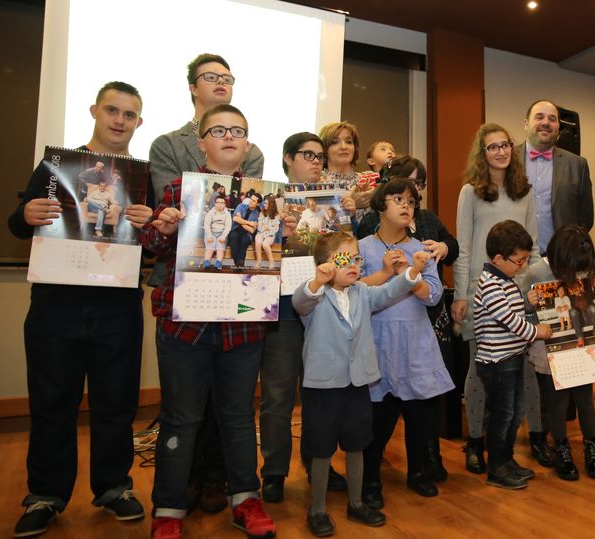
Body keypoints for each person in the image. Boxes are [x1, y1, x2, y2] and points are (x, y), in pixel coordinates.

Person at [8, 81, 152, 538]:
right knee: (53, 405)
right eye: (112, 110)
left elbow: (153, 246)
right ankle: (46, 495)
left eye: (129, 115)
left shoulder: (141, 177)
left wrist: (149, 227)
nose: (119, 121)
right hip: (57, 309)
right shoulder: (56, 166)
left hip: (118, 309)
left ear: (139, 123)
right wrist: (26, 214)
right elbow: (18, 224)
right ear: (94, 110)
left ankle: (114, 488)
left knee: (116, 405)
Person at [142, 104, 279, 539]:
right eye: (218, 130)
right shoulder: (182, 186)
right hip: (186, 324)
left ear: (247, 144)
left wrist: (287, 232)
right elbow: (150, 244)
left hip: (243, 322)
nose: (229, 137)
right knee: (180, 418)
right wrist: (163, 227)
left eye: (238, 131)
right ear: (201, 142)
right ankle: (168, 509)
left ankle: (246, 499)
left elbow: (274, 250)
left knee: (239, 416)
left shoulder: (265, 195)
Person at [293, 231, 428, 537]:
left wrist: (414, 271)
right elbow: (301, 301)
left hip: (357, 385)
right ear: (326, 264)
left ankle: (355, 503)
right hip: (323, 387)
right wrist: (317, 281)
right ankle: (317, 509)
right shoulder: (315, 297)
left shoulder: (362, 294)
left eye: (356, 259)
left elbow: (391, 291)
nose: (354, 265)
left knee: (356, 444)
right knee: (321, 448)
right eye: (344, 259)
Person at [355, 156, 458, 482]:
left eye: (412, 202)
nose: (406, 206)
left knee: (419, 415)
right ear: (380, 205)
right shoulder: (363, 247)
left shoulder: (420, 250)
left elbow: (433, 295)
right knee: (377, 417)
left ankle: (418, 473)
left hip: (415, 340)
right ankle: (370, 481)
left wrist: (409, 274)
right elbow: (354, 292)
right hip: (378, 339)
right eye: (398, 199)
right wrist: (387, 273)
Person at [451, 123, 543, 474]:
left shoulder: (526, 192)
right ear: (483, 153)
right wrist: (461, 294)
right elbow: (463, 248)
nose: (501, 151)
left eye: (505, 145)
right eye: (493, 147)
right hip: (482, 294)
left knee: (527, 372)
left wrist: (536, 289)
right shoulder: (470, 193)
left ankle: (535, 436)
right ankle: (475, 443)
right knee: (478, 371)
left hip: (521, 294)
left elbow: (532, 246)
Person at [260, 131, 346, 504]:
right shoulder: (269, 200)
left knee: (320, 395)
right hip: (282, 309)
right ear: (287, 158)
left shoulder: (334, 203)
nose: (315, 162)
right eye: (307, 155)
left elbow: (345, 254)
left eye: (319, 157)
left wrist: (347, 222)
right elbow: (255, 252)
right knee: (278, 396)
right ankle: (275, 473)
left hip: (324, 308)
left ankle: (319, 466)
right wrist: (281, 230)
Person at [523, 224, 595, 481]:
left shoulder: (583, 268)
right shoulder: (537, 272)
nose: (576, 274)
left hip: (581, 346)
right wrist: (529, 303)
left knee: (585, 399)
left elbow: (594, 300)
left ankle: (592, 448)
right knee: (556, 402)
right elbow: (520, 310)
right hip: (550, 348)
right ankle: (561, 447)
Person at [473, 220, 552, 489]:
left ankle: (506, 460)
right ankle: (496, 467)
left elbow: (516, 311)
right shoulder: (490, 284)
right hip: (497, 362)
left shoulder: (505, 280)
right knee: (502, 415)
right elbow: (510, 320)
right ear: (498, 258)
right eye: (519, 261)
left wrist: (526, 303)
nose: (523, 266)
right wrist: (537, 332)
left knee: (515, 413)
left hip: (512, 358)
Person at [149, 53, 264, 203]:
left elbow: (247, 204)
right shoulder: (166, 145)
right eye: (210, 77)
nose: (221, 81)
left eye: (227, 79)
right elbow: (168, 206)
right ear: (193, 89)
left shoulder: (251, 153)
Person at [517, 99, 594, 254]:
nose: (546, 122)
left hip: (559, 261)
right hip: (514, 261)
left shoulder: (577, 165)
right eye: (539, 117)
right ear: (526, 124)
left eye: (552, 119)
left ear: (558, 127)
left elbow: (585, 220)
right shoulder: (507, 160)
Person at [318, 122, 375, 223]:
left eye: (349, 142)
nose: (344, 147)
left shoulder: (369, 178)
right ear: (324, 150)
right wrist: (351, 204)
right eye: (335, 142)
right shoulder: (317, 184)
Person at [228, 192, 261, 270]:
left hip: (247, 234)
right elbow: (235, 219)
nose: (250, 201)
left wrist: (241, 220)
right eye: (251, 199)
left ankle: (239, 265)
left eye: (254, 201)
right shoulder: (241, 206)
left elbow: (252, 230)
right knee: (233, 237)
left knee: (244, 241)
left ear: (258, 204)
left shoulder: (257, 214)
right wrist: (249, 222)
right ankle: (239, 264)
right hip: (235, 229)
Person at [202, 196, 231, 270]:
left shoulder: (227, 213)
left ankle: (218, 262)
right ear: (215, 203)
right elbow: (206, 224)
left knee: (220, 248)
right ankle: (206, 262)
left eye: (222, 203)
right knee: (210, 247)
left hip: (222, 233)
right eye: (218, 202)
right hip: (211, 232)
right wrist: (209, 235)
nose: (220, 204)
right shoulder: (210, 212)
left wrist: (224, 236)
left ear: (225, 204)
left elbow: (228, 226)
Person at [254, 194, 280, 270]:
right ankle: (259, 261)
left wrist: (268, 228)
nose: (264, 204)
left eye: (266, 203)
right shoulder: (262, 213)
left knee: (265, 244)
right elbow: (259, 227)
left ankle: (272, 262)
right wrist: (264, 229)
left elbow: (276, 229)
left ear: (271, 205)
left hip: (270, 235)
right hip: (261, 232)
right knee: (258, 241)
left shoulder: (276, 215)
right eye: (264, 203)